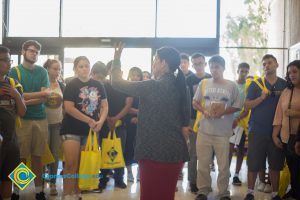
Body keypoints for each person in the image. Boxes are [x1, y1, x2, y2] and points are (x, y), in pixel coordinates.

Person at [111, 43, 190, 200]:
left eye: (155, 60)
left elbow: (117, 83)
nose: (153, 63)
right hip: (174, 153)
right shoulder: (181, 87)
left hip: (152, 152)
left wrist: (117, 59)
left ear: (163, 63)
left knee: (149, 196)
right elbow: (185, 119)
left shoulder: (153, 85)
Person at [193, 55, 241, 200]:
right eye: (212, 66)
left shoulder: (231, 85)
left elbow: (237, 106)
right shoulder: (204, 83)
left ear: (223, 68)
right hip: (204, 131)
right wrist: (204, 111)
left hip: (222, 132)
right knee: (202, 163)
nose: (214, 69)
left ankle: (223, 193)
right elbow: (194, 102)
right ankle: (203, 190)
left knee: (223, 165)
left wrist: (223, 111)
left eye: (217, 67)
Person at [60, 56, 108, 200]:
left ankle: (77, 193)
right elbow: (68, 108)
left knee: (83, 165)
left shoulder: (99, 85)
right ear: (75, 69)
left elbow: (105, 106)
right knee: (70, 164)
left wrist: (100, 121)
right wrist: (89, 120)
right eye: (80, 66)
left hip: (90, 131)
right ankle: (67, 195)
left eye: (86, 66)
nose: (84, 69)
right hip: (71, 129)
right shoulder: (71, 84)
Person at [9, 40, 50, 200]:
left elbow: (44, 97)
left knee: (38, 157)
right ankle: (17, 192)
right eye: (31, 51)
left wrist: (23, 98)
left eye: (37, 52)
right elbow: (16, 94)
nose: (34, 54)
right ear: (23, 52)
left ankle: (39, 191)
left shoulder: (42, 72)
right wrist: (28, 96)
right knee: (22, 157)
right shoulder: (15, 71)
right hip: (22, 119)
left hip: (41, 119)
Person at [244, 54, 286, 200]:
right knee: (253, 163)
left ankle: (275, 194)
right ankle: (250, 193)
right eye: (264, 64)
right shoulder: (256, 84)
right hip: (257, 130)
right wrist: (261, 98)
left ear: (277, 65)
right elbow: (247, 105)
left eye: (270, 63)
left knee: (275, 164)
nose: (267, 66)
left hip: (277, 132)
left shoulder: (284, 85)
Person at [98, 60, 133, 191]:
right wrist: (106, 118)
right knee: (104, 151)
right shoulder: (103, 86)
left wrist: (116, 118)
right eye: (112, 70)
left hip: (120, 124)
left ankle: (119, 178)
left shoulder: (126, 86)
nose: (114, 73)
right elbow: (100, 104)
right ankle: (103, 178)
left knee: (120, 152)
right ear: (108, 72)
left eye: (117, 70)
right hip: (105, 123)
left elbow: (128, 104)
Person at [0, 46, 26, 200]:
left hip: (11, 140)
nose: (8, 63)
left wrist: (16, 95)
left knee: (9, 178)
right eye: (4, 60)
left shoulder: (13, 83)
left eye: (8, 60)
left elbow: (22, 112)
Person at [272, 60, 300, 200]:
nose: (292, 75)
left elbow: (291, 113)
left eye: (295, 71)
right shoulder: (286, 91)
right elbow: (279, 113)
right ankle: (294, 192)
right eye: (289, 73)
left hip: (299, 137)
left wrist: (295, 113)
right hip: (286, 137)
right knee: (292, 168)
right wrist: (274, 135)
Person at [185, 52, 211, 193]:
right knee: (194, 152)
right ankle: (193, 181)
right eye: (195, 64)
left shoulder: (211, 78)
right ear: (192, 64)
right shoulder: (188, 79)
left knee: (207, 152)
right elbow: (184, 102)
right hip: (193, 119)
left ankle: (205, 181)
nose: (198, 66)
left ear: (205, 64)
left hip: (209, 118)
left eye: (200, 63)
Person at [43, 59, 65, 196]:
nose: (57, 72)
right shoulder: (41, 83)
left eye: (59, 69)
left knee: (55, 155)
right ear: (47, 69)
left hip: (57, 124)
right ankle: (37, 183)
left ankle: (52, 184)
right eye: (54, 69)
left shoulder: (62, 85)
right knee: (40, 154)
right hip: (42, 124)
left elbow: (66, 106)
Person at [229, 62, 250, 186]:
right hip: (230, 121)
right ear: (237, 71)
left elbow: (247, 108)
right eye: (242, 71)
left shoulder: (249, 87)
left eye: (246, 71)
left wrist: (239, 119)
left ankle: (236, 175)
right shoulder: (232, 85)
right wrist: (232, 119)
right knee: (229, 149)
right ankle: (226, 172)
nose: (244, 74)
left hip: (242, 122)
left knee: (241, 149)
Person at [125, 67, 143, 182]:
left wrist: (140, 116)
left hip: (143, 122)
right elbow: (126, 108)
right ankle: (129, 172)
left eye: (138, 75)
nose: (135, 77)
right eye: (133, 75)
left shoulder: (144, 88)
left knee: (141, 147)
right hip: (129, 121)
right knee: (128, 147)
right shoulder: (127, 88)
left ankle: (140, 173)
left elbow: (149, 107)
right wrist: (138, 113)